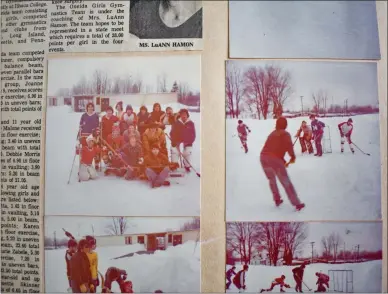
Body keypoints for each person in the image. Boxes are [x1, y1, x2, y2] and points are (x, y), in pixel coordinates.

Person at [260, 117, 305, 211]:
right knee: (285, 180)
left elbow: (273, 148)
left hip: (263, 157)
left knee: (271, 179)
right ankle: (297, 203)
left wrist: (282, 160)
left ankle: (277, 199)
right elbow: (288, 146)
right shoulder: (285, 134)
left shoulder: (272, 133)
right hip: (274, 159)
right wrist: (292, 156)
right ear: (285, 125)